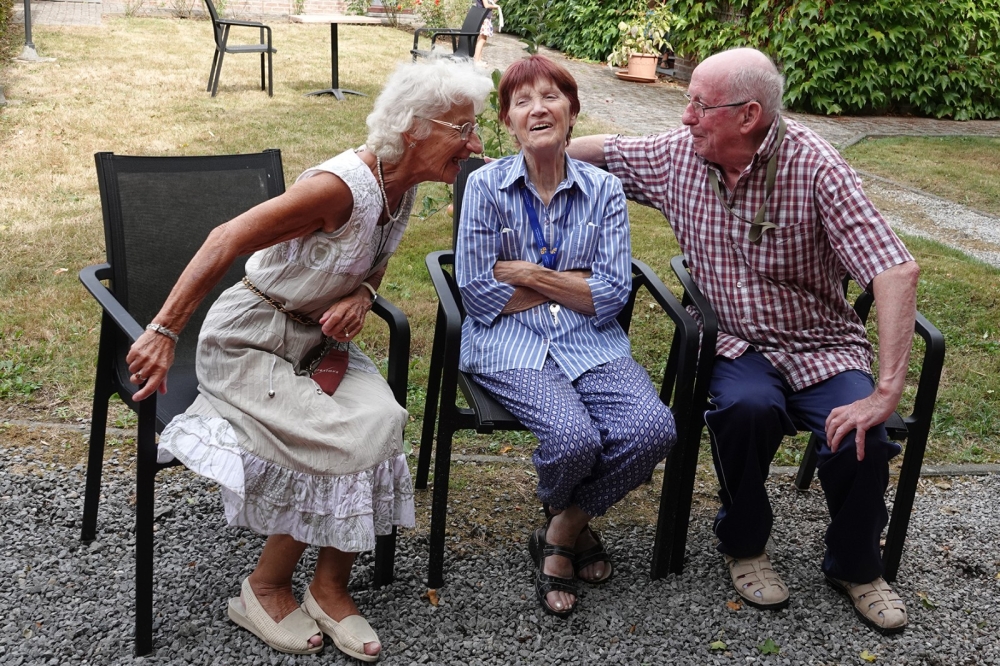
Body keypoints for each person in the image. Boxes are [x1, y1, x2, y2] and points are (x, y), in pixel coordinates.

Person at [125, 59, 492, 660]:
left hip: (316, 343)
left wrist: (363, 295)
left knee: (382, 420)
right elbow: (227, 237)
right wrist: (165, 330)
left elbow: (374, 260)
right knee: (339, 438)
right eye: (462, 129)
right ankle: (263, 588)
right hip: (250, 340)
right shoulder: (339, 187)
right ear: (414, 129)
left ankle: (327, 587)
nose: (474, 144)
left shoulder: (402, 190)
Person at [567, 47, 919, 635]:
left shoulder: (816, 167)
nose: (685, 118)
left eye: (699, 106)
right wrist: (525, 155)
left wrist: (885, 390)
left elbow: (893, 269)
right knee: (745, 409)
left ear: (748, 115)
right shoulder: (680, 154)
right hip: (731, 341)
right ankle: (744, 543)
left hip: (819, 342)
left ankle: (857, 565)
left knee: (863, 433)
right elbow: (607, 150)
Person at [456, 54, 677, 618]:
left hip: (591, 342)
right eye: (522, 101)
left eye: (551, 96)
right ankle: (568, 537)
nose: (538, 109)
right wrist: (570, 283)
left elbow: (610, 296)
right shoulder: (484, 186)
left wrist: (526, 273)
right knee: (574, 439)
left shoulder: (604, 191)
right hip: (510, 347)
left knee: (654, 428)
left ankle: (563, 522)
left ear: (573, 111)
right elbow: (480, 295)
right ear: (507, 120)